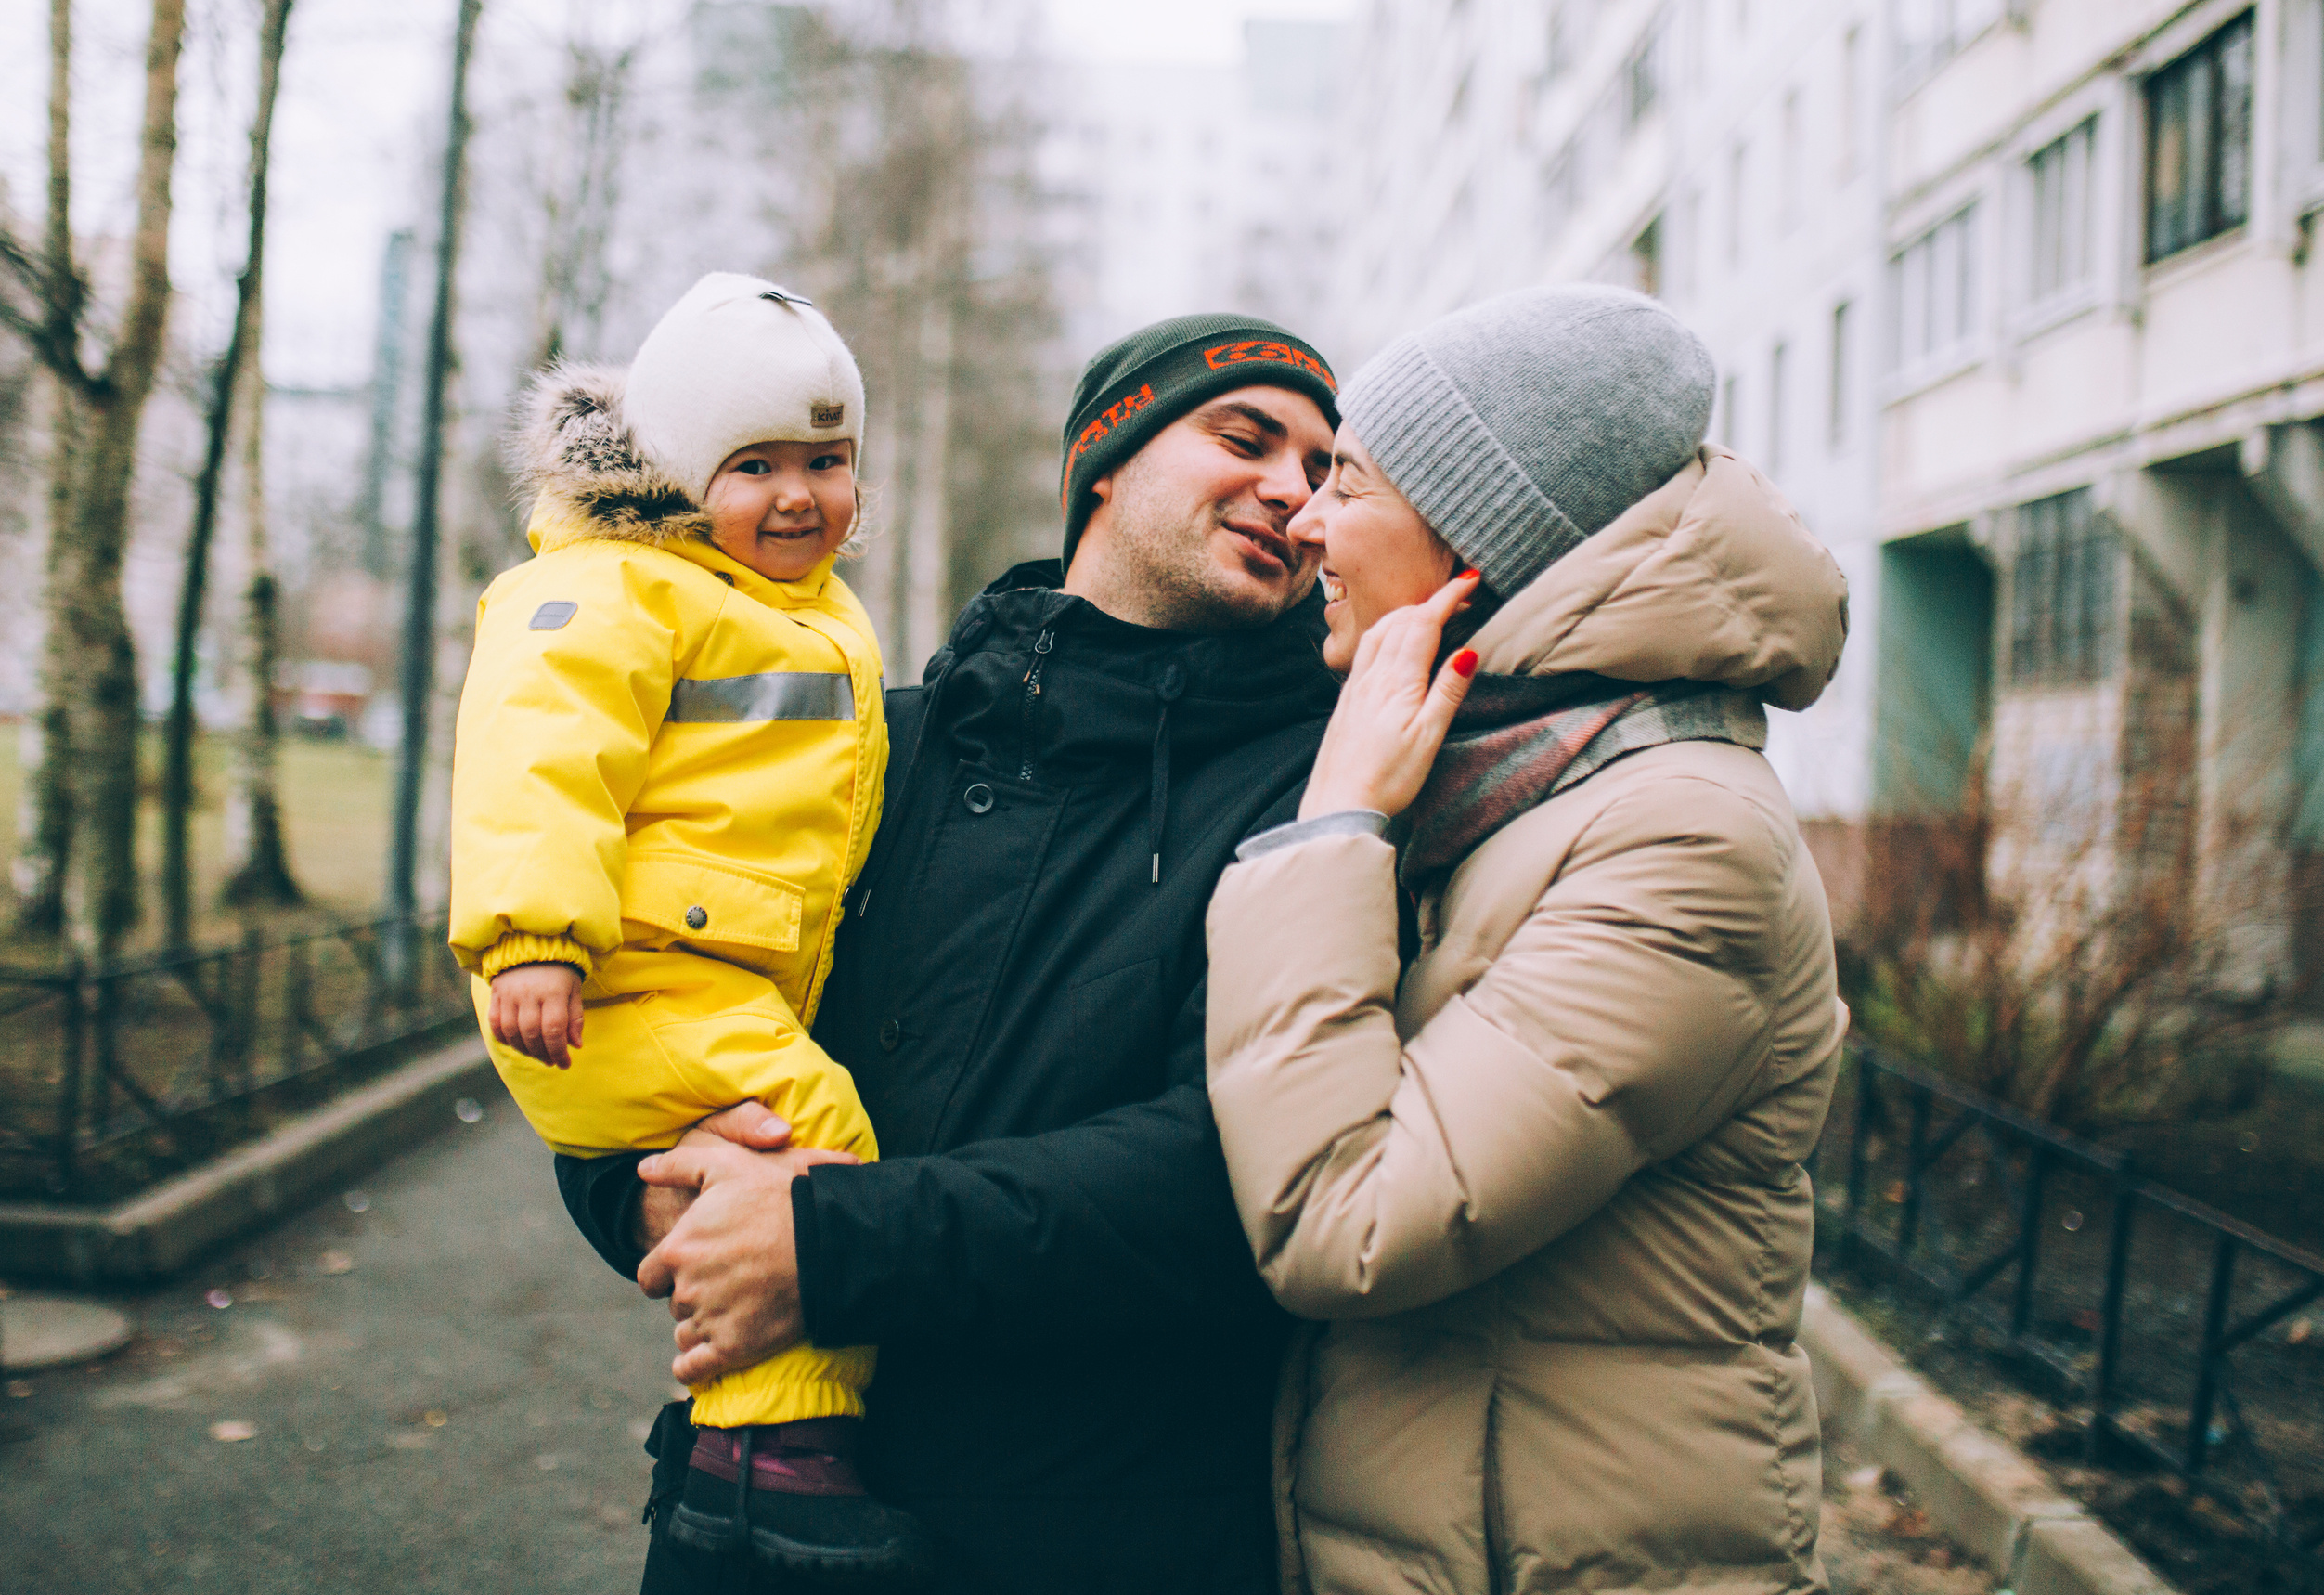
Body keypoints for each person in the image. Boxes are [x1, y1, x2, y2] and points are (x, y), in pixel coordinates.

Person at [555, 314, 1348, 1594]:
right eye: (1245, 437)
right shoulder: (881, 739)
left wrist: (824, 1241)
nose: (1293, 493)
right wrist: (650, 1199)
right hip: (743, 1529)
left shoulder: (1314, 793)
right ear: (1107, 461)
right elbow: (647, 994)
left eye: (1323, 469)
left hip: (1104, 1544)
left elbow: (1241, 1169)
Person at [1204, 284, 1850, 1595]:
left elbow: (1352, 1219)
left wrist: (1332, 825)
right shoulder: (1513, 780)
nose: (1307, 518)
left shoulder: (1680, 835)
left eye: (1351, 481)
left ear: (1479, 546)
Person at [448, 274, 931, 1582]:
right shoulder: (609, 588)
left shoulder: (804, 606)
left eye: (827, 462)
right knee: (819, 1140)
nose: (798, 495)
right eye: (753, 463)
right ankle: (773, 1458)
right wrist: (536, 934)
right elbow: (538, 756)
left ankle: (753, 1453)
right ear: (671, 473)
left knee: (784, 1152)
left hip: (703, 983)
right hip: (610, 981)